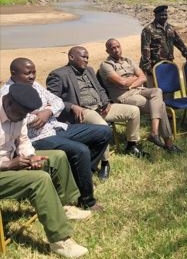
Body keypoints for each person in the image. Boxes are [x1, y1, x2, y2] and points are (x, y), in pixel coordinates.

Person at [1, 58, 111, 210]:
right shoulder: (8, 95)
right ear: (14, 73)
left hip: (58, 127)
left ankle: (83, 174)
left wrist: (47, 110)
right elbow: (21, 119)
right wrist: (39, 113)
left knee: (104, 132)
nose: (32, 76)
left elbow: (58, 101)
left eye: (34, 72)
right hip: (39, 137)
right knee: (80, 150)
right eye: (28, 73)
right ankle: (86, 200)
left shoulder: (34, 85)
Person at [0, 83, 89, 258]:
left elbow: (23, 139)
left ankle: (65, 206)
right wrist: (8, 165)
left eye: (24, 115)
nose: (21, 119)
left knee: (57, 157)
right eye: (19, 114)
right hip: (3, 167)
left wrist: (30, 156)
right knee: (39, 180)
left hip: (11, 160)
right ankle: (60, 240)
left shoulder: (19, 113)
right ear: (7, 102)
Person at [46, 46, 145, 178]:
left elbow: (101, 89)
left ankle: (131, 144)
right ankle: (105, 163)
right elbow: (52, 100)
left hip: (101, 108)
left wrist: (106, 102)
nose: (86, 60)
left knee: (134, 111)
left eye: (87, 57)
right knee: (103, 128)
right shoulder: (59, 74)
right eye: (83, 57)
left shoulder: (90, 70)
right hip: (83, 111)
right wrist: (72, 107)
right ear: (71, 57)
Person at [99, 38, 182, 154]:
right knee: (161, 105)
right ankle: (167, 143)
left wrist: (131, 84)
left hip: (137, 89)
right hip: (124, 96)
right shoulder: (106, 65)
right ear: (107, 51)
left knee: (157, 91)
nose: (116, 50)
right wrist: (134, 79)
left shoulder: (128, 60)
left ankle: (154, 132)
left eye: (118, 46)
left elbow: (142, 77)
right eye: (112, 48)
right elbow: (121, 83)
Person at [140, 5, 187, 86]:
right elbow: (145, 49)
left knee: (169, 90)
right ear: (155, 15)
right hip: (153, 67)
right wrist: (148, 68)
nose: (164, 17)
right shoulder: (148, 30)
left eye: (165, 15)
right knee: (153, 92)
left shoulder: (170, 28)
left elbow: (178, 42)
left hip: (168, 65)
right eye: (162, 15)